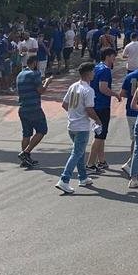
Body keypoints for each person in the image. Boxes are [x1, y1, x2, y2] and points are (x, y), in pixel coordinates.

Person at [56, 62, 101, 194]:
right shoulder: (88, 90)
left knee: (79, 152)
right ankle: (64, 179)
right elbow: (89, 109)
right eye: (93, 71)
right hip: (81, 127)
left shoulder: (73, 86)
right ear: (88, 73)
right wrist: (97, 119)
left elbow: (65, 105)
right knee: (76, 153)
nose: (94, 74)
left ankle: (83, 177)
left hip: (72, 125)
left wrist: (73, 114)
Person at [86, 48, 121, 173]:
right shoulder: (105, 70)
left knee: (101, 133)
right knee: (100, 136)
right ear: (107, 56)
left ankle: (101, 161)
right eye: (113, 56)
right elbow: (103, 88)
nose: (114, 59)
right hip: (102, 105)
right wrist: (115, 94)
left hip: (95, 103)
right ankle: (90, 163)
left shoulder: (96, 67)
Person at [16, 55, 52, 168]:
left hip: (23, 108)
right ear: (35, 63)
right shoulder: (34, 74)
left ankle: (25, 159)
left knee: (26, 133)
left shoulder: (20, 74)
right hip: (34, 108)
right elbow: (41, 90)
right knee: (42, 130)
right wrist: (47, 82)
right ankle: (26, 152)